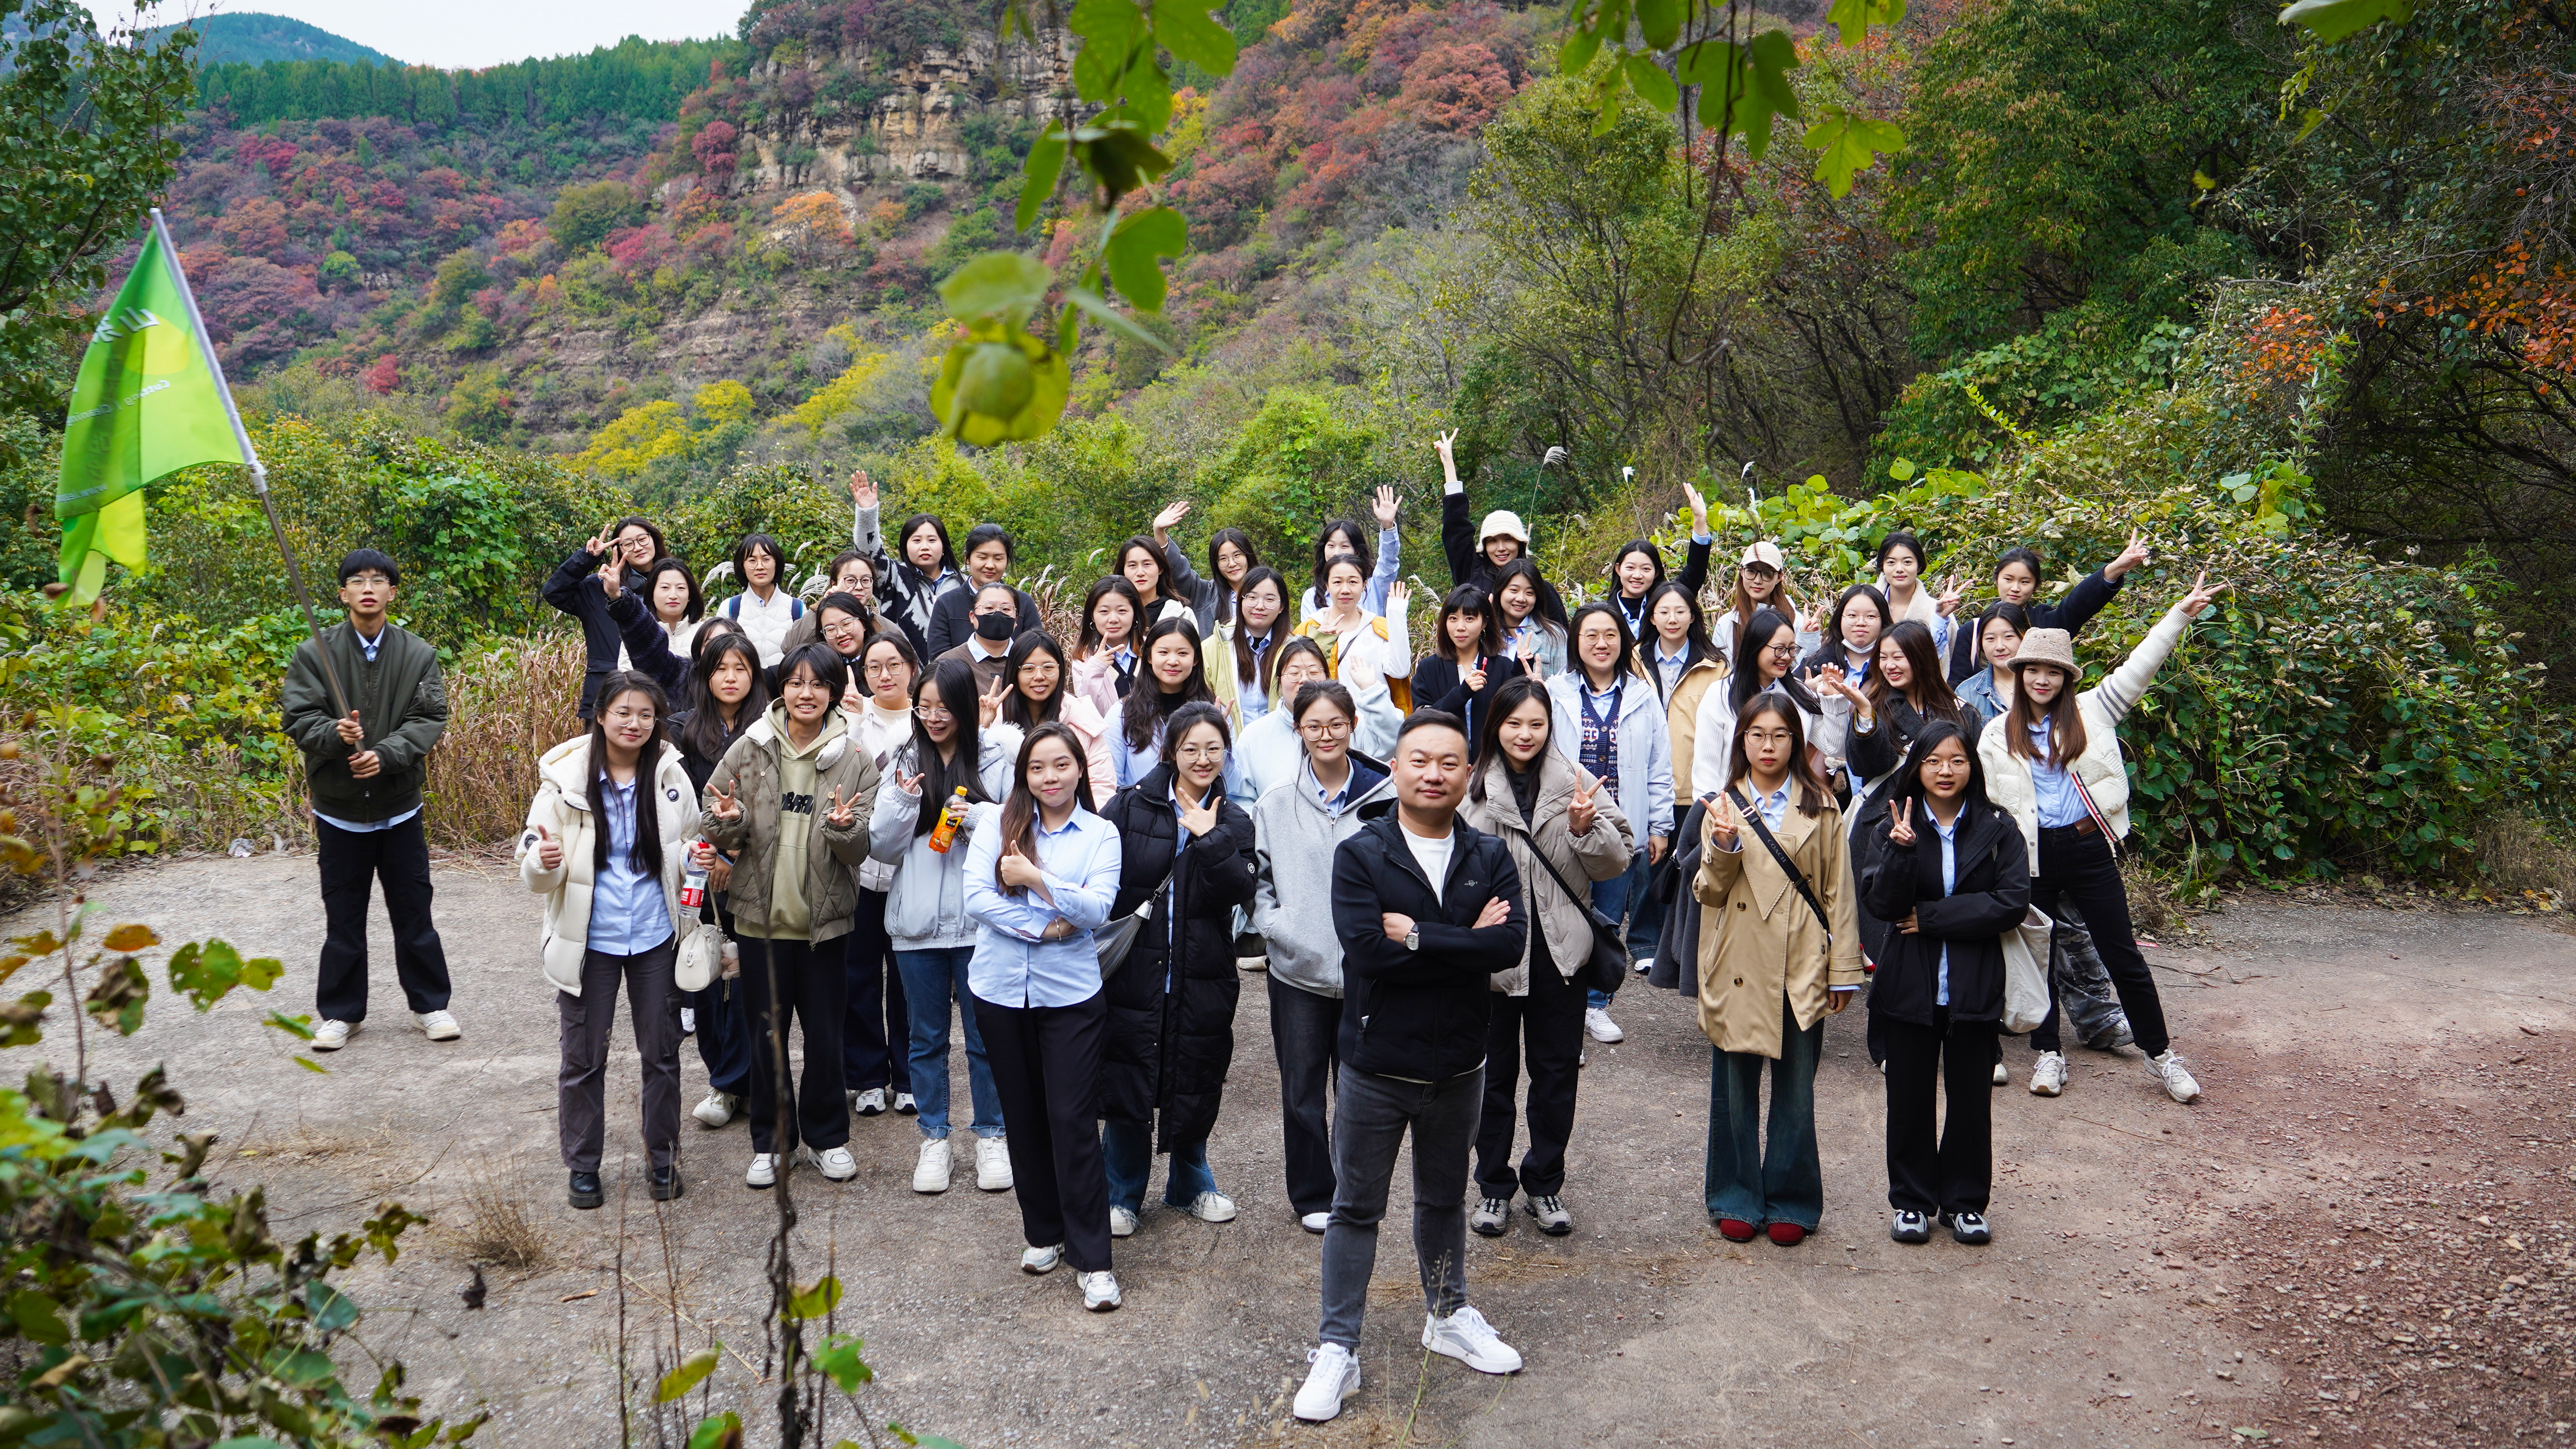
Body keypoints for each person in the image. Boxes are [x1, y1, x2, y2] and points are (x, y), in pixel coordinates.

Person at [1297, 711, 1528, 1424]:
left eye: (1450, 763)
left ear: (1469, 774)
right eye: (1420, 760)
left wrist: (1423, 935)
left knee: (1442, 1200)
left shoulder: (1489, 855)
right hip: (1376, 1063)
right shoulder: (1363, 854)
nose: (1434, 774)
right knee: (1356, 1208)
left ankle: (1448, 1314)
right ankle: (1338, 1345)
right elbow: (1368, 953)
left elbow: (1511, 947)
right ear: (1394, 769)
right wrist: (1465, 943)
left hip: (1460, 1063)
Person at [1982, 574, 2227, 1104]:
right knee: (2039, 957)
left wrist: (2180, 614)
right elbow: (1987, 804)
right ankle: (2049, 1053)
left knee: (2124, 956)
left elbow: (2143, 665)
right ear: (2019, 674)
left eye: (2052, 671)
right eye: (2033, 671)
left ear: (2066, 677)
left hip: (2088, 848)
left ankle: (2162, 1055)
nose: (2041, 680)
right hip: (2030, 857)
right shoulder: (1996, 733)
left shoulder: (2094, 710)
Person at [696, 643, 880, 1188]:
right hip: (759, 921)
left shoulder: (854, 758)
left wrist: (846, 829)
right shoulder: (750, 748)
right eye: (796, 682)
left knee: (825, 1038)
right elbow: (717, 817)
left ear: (833, 691)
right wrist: (725, 822)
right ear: (782, 688)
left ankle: (827, 1139)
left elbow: (859, 850)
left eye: (818, 684)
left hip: (825, 925)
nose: (806, 693)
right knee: (767, 1037)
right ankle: (773, 1143)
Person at [963, 722, 1126, 1312]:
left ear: (1080, 770)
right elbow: (977, 898)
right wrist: (1046, 925)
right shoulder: (998, 825)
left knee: (1073, 1118)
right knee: (1024, 1115)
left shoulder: (1101, 834)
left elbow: (1097, 908)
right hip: (999, 992)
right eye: (1038, 768)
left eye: (1061, 766)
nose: (1050, 777)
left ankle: (1094, 1260)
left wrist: (1035, 880)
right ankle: (1044, 1233)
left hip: (1071, 996)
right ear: (1023, 775)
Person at [1462, 676, 1633, 1238]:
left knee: (1555, 1074)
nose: (1525, 734)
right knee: (1492, 1078)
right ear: (1495, 727)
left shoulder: (1576, 782)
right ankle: (1492, 1186)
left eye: (1536, 724)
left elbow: (1617, 861)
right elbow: (1443, 869)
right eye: (1514, 724)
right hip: (1493, 958)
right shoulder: (1473, 789)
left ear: (1550, 727)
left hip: (1560, 957)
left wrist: (1586, 831)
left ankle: (1544, 1183)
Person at [519, 671, 694, 1208]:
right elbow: (533, 865)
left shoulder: (670, 775)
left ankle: (661, 1160)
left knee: (661, 1054)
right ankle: (583, 1165)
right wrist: (544, 861)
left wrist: (698, 858)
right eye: (623, 712)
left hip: (654, 935)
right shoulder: (566, 782)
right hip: (587, 939)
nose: (634, 723)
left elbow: (686, 846)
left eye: (646, 714)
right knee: (583, 1057)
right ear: (600, 715)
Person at [1694, 698, 1862, 1246]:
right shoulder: (1723, 804)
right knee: (1734, 1090)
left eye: (1781, 735)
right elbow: (1709, 892)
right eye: (1757, 735)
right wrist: (1723, 844)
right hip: (1738, 956)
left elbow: (1839, 892)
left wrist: (1843, 970)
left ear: (1797, 741)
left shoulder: (1822, 805)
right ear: (1741, 740)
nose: (1768, 746)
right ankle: (1735, 1194)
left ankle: (1792, 1196)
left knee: (1797, 1090)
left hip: (1801, 957)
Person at [1857, 723, 2031, 1247]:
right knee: (1907, 1097)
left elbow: (2011, 902)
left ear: (1972, 767)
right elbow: (1882, 906)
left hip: (1974, 983)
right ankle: (1911, 1201)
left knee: (1972, 1101)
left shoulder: (1999, 827)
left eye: (1956, 760)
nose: (1946, 771)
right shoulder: (1894, 823)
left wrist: (1931, 917)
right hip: (1911, 983)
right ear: (1918, 768)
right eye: (1934, 761)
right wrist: (1902, 851)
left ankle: (1964, 1203)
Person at [280, 549, 457, 1052]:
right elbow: (297, 717)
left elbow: (429, 718)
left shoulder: (417, 653)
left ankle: (431, 1005)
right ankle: (341, 1014)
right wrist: (335, 734)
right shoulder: (315, 653)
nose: (367, 588)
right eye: (356, 581)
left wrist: (385, 754)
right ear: (343, 594)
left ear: (392, 593)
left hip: (399, 806)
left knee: (413, 910)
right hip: (339, 810)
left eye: (378, 581)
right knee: (344, 915)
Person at [1096, 702, 1257, 1237]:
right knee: (1128, 1077)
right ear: (1170, 751)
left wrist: (1210, 838)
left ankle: (1190, 1181)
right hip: (1136, 972)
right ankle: (1121, 1191)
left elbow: (1241, 893)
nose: (1203, 758)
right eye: (1191, 748)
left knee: (1195, 1076)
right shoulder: (1127, 808)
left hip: (1202, 971)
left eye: (1214, 749)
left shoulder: (1234, 820)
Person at [872, 659, 1019, 1195]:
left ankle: (991, 1135)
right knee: (926, 1038)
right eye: (924, 706)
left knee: (986, 1038)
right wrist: (903, 802)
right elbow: (882, 848)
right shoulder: (904, 757)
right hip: (917, 925)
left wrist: (976, 816)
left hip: (983, 924)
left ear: (964, 706)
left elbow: (1018, 829)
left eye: (944, 707)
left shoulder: (999, 757)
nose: (933, 717)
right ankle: (934, 1137)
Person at [1251, 680, 1391, 1234]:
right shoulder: (1277, 800)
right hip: (1299, 969)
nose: (1326, 734)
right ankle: (1312, 1191)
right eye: (1314, 725)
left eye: (1336, 724)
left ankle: (1356, 1188)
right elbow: (1260, 884)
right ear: (1300, 730)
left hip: (1368, 970)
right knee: (1302, 1088)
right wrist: (1278, 927)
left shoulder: (1385, 796)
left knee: (1360, 1088)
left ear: (1352, 725)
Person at [1545, 603, 1672, 1045]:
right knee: (1564, 920)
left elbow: (1659, 764)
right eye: (1591, 635)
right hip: (1565, 826)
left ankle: (1596, 1005)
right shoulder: (1554, 690)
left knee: (1607, 918)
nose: (1602, 644)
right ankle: (1563, 1014)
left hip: (1621, 830)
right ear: (1576, 642)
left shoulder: (1642, 694)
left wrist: (1660, 825)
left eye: (1611, 635)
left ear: (1624, 640)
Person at [671, 631, 769, 1128]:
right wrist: (710, 853)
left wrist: (735, 852)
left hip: (755, 872)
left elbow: (772, 808)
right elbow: (680, 811)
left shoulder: (771, 730)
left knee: (748, 980)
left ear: (754, 676)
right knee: (706, 978)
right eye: (720, 669)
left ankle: (735, 1083)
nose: (731, 678)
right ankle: (726, 1078)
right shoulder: (681, 731)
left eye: (741, 669)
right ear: (705, 676)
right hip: (698, 872)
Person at [1943, 536, 2151, 684]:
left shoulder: (2046, 624)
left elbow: (2076, 607)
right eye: (2008, 579)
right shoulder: (1973, 632)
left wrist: (2115, 569)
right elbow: (1957, 688)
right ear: (1996, 579)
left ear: (2036, 586)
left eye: (2025, 581)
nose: (2015, 588)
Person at [1690, 609, 1836, 800]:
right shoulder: (1720, 695)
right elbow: (1705, 770)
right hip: (1734, 811)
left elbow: (1834, 748)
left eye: (1792, 649)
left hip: (1789, 809)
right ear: (1755, 646)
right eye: (1779, 649)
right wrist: (1712, 814)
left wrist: (1834, 701)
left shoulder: (1800, 694)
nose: (1786, 657)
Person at [1433, 429, 1567, 627]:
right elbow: (1456, 528)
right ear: (1484, 546)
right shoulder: (1472, 574)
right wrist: (1449, 465)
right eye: (1493, 541)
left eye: (1508, 539)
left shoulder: (1541, 589)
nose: (1501, 548)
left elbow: (1563, 638)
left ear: (1520, 543)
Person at [1292, 553, 1412, 760]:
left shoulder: (1378, 627)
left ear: (1365, 585)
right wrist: (1319, 639)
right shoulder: (1309, 628)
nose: (1345, 589)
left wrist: (1397, 616)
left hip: (1372, 733)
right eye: (1337, 582)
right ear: (1326, 586)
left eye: (1353, 582)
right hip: (1324, 732)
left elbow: (1400, 670)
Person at [544, 516, 664, 717]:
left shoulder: (674, 583)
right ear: (617, 549)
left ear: (654, 539)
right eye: (628, 544)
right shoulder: (598, 587)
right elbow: (554, 592)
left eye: (643, 539)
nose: (638, 547)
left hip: (661, 694)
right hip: (607, 695)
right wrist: (587, 558)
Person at [1115, 616, 1241, 794]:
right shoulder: (1123, 712)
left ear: (1196, 659)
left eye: (1183, 653)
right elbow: (1110, 780)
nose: (1173, 661)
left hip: (1201, 815)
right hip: (1141, 814)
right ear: (1149, 657)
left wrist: (1222, 738)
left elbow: (1233, 785)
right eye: (1164, 653)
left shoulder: (1215, 712)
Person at [850, 471, 963, 660]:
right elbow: (868, 555)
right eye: (916, 540)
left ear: (944, 546)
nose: (925, 547)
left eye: (932, 540)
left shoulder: (963, 584)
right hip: (903, 676)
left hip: (954, 678)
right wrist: (867, 513)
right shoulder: (894, 578)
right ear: (906, 547)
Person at [1637, 580, 1725, 819]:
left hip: (1693, 791)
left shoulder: (1716, 667)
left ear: (1693, 617)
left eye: (1680, 612)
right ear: (1653, 618)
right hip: (1640, 789)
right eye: (1664, 612)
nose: (1672, 619)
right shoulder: (1631, 662)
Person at [1003, 631, 1119, 805]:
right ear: (1014, 672)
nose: (1039, 676)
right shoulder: (996, 720)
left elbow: (1101, 787)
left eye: (1048, 667)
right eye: (1029, 669)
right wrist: (983, 727)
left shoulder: (1081, 718)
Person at [1412, 584, 1525, 756]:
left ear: (1484, 623)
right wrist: (1462, 693)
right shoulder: (1429, 668)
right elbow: (1422, 721)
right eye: (1453, 618)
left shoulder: (1503, 667)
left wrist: (1522, 672)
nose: (1461, 627)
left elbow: (1516, 715)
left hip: (1492, 767)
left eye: (1470, 619)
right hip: (1444, 764)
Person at [1603, 479, 1713, 642]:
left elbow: (1696, 570)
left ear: (1657, 573)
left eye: (1646, 569)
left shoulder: (1667, 599)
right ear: (1618, 570)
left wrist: (1700, 520)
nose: (1638, 575)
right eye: (1631, 568)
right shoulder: (1604, 613)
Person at [1234, 638, 1335, 804]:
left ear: (1328, 677)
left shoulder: (1344, 727)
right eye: (1294, 673)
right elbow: (1241, 800)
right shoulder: (1254, 735)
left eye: (1314, 672)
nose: (1304, 680)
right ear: (1279, 682)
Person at [925, 524, 1042, 658]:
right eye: (982, 557)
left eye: (998, 559)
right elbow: (939, 658)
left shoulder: (1023, 603)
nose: (990, 565)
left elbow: (1035, 653)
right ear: (967, 558)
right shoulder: (947, 603)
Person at [1149, 500, 1259, 634]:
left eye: (1237, 555)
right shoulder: (1205, 594)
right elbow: (1180, 571)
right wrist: (1159, 532)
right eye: (1223, 559)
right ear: (1216, 564)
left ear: (1248, 555)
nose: (1232, 564)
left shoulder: (1267, 592)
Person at [1298, 491, 1404, 624]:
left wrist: (1387, 527)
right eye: (1331, 546)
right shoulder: (1312, 597)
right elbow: (1308, 642)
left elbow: (1388, 563)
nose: (1336, 553)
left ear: (1357, 552)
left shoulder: (1373, 589)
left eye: (1344, 546)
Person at [1206, 565, 1291, 728]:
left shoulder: (1293, 650)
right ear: (1241, 600)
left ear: (1281, 607)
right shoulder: (1214, 647)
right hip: (1230, 746)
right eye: (1252, 597)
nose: (1260, 606)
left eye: (1270, 599)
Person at [1712, 541, 1819, 668]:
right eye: (1751, 571)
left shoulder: (1796, 621)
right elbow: (1720, 674)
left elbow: (1803, 673)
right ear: (1741, 572)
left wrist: (1808, 637)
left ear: (1779, 577)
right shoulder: (1726, 624)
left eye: (1767, 574)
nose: (1757, 581)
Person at [781, 549, 885, 660]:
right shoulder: (817, 619)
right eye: (850, 580)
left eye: (866, 580)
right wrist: (822, 606)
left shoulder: (887, 627)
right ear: (834, 584)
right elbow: (790, 648)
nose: (859, 587)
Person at [1872, 530, 1959, 655]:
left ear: (1919, 566)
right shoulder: (1867, 608)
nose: (1899, 569)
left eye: (1907, 562)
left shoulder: (1939, 613)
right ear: (1882, 566)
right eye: (1891, 562)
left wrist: (1940, 619)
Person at [935, 582, 1028, 694]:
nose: (998, 613)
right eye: (989, 608)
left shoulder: (1028, 661)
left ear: (1016, 620)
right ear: (972, 617)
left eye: (1006, 609)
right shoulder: (947, 663)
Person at [1069, 576, 1144, 715]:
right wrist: (1096, 669)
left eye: (1122, 611)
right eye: (1104, 612)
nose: (1113, 619)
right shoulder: (1084, 659)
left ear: (1135, 614)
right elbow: (1090, 715)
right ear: (1092, 616)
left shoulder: (1152, 650)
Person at [1954, 601, 2028, 726]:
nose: (2000, 647)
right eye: (1990, 639)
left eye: (2009, 637)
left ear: (2025, 637)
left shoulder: (2041, 685)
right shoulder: (1966, 693)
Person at [1490, 560, 1565, 680]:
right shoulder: (1484, 634)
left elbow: (1567, 688)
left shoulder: (1555, 637)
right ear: (1500, 591)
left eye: (1529, 593)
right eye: (1514, 590)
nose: (1521, 599)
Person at [1115, 535, 1197, 628]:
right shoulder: (1111, 615)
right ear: (1123, 571)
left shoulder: (1183, 614)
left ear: (1160, 569)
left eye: (1147, 564)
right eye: (1133, 566)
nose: (1140, 573)